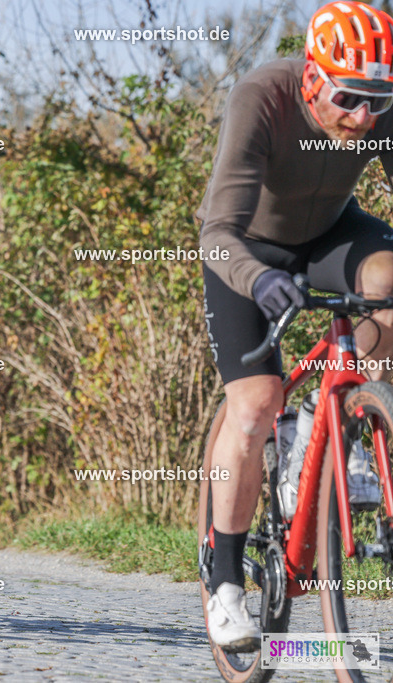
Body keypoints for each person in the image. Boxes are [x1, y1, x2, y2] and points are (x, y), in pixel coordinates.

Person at [199, 0, 393, 652]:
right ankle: (225, 580)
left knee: (391, 281)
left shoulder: (379, 109)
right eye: (347, 99)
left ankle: (332, 417)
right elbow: (217, 231)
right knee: (254, 408)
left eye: (377, 100)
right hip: (247, 252)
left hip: (333, 235)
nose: (364, 117)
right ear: (312, 78)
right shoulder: (264, 96)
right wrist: (257, 279)